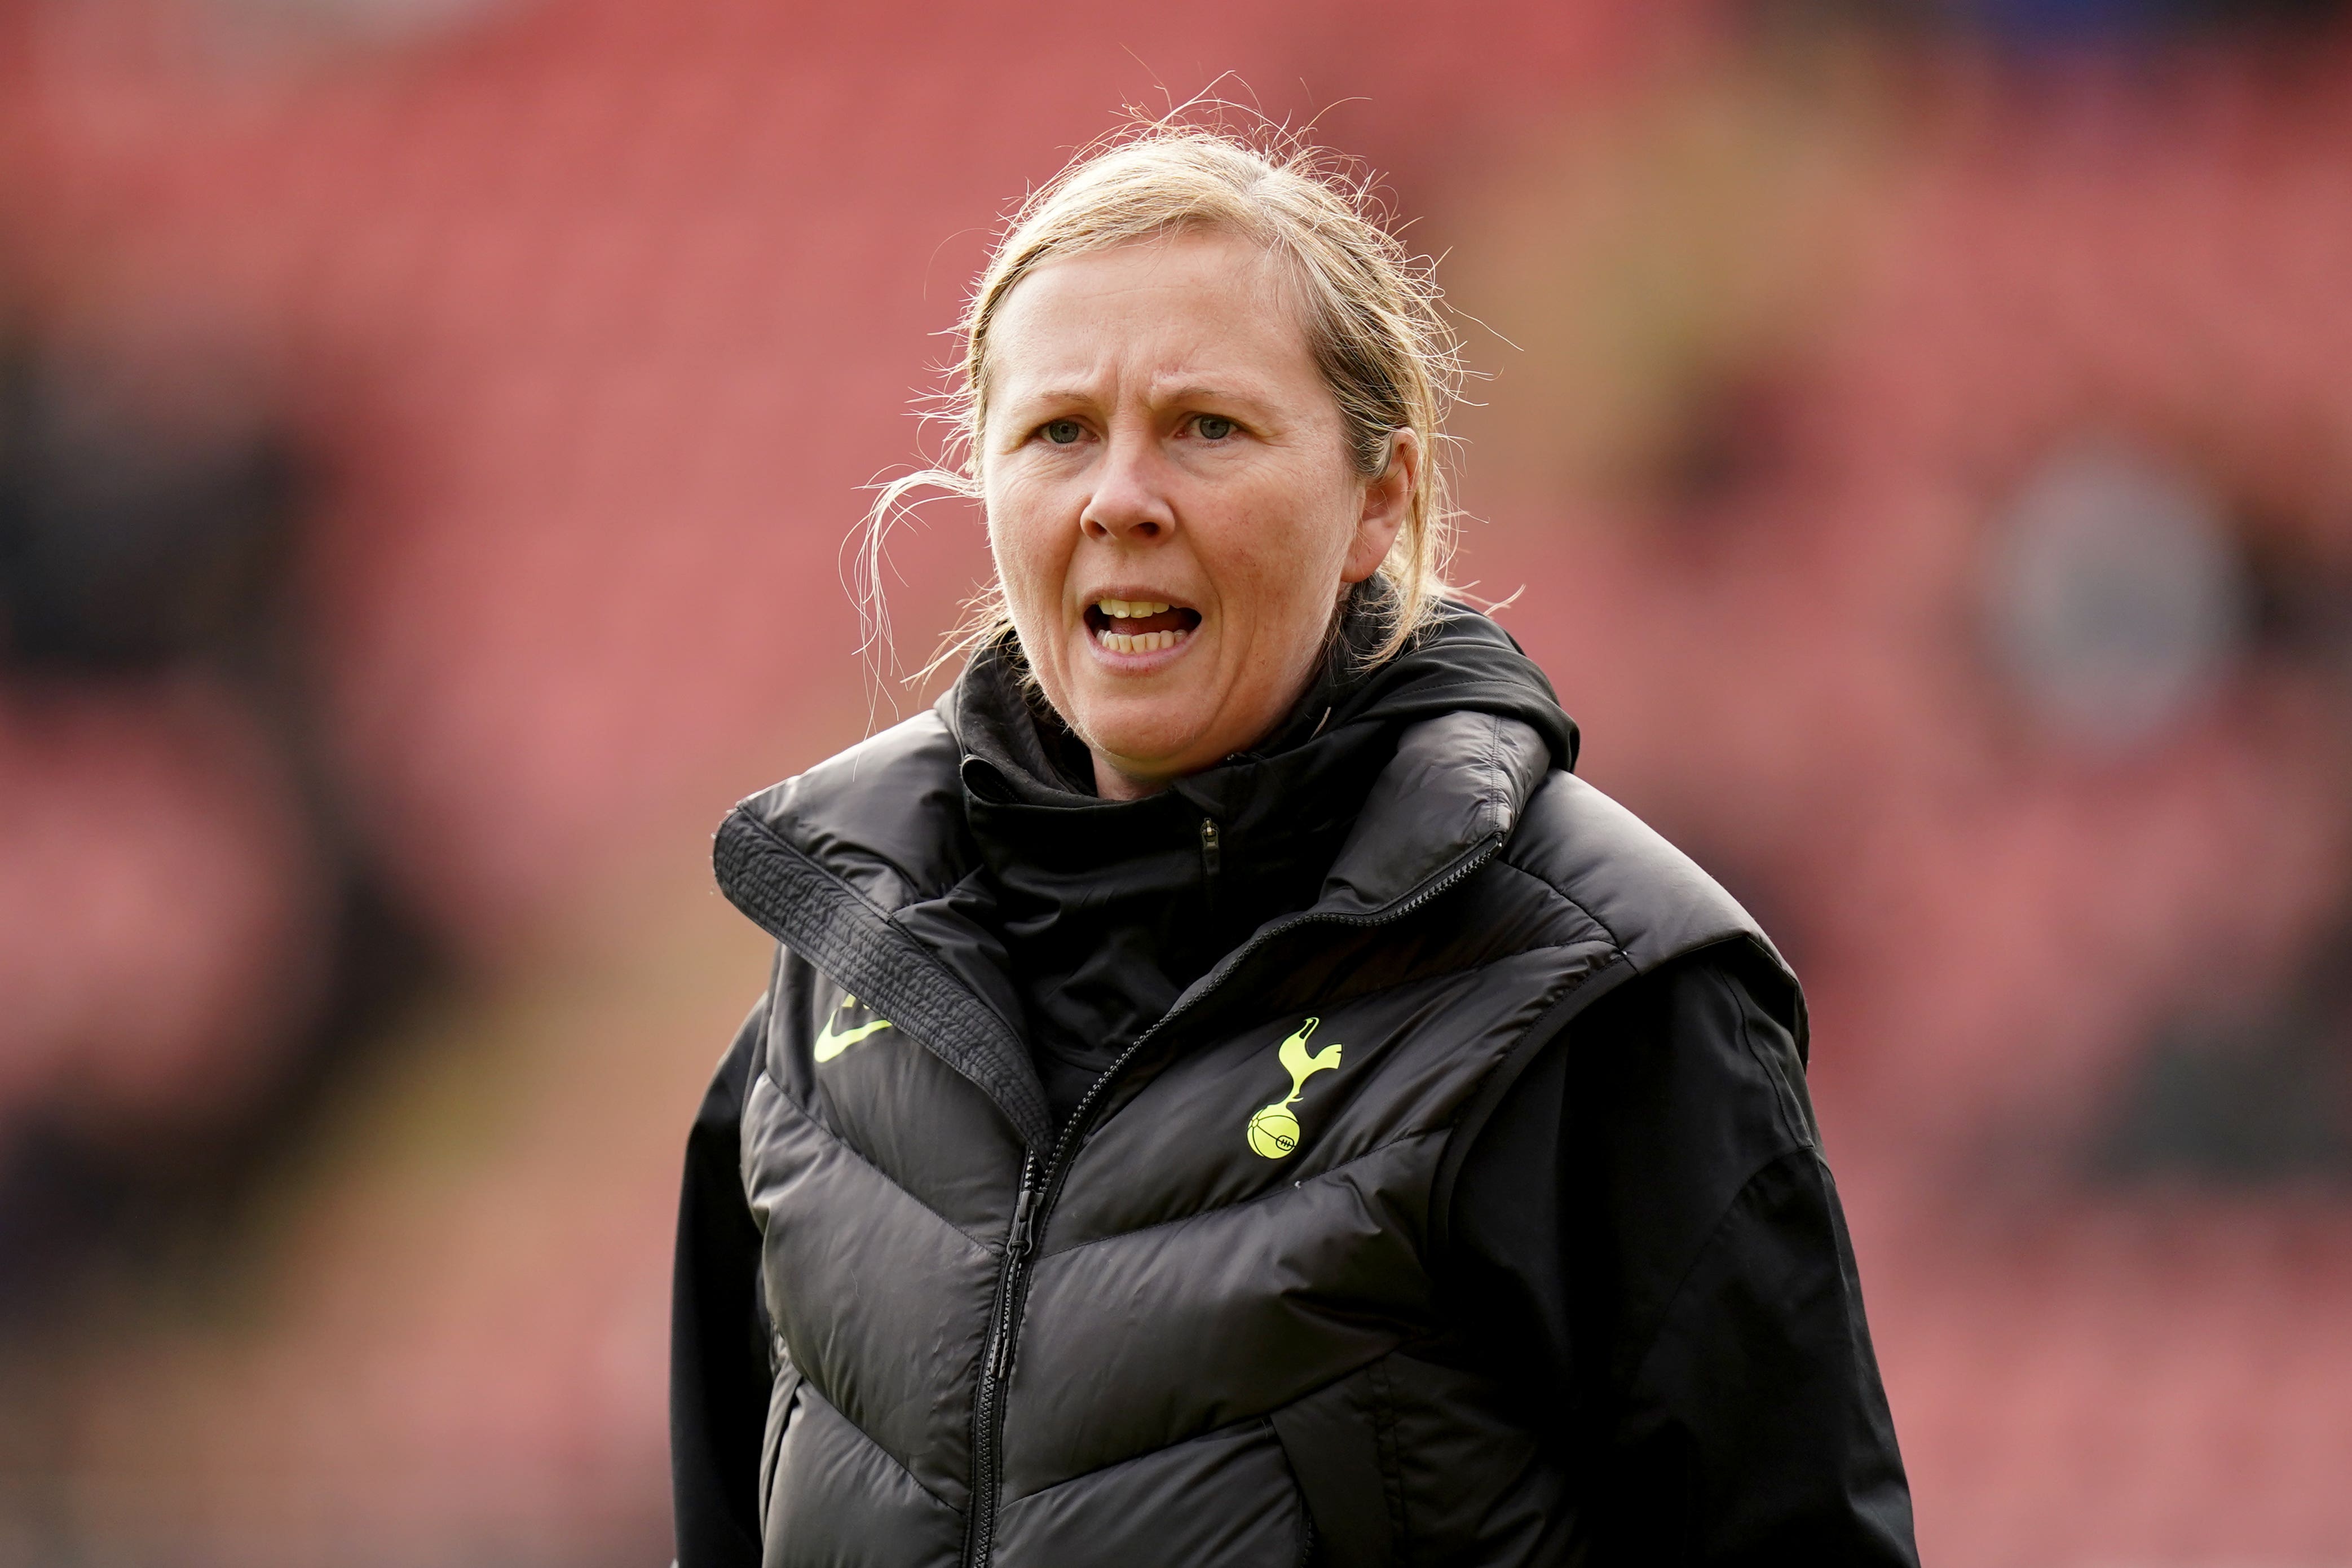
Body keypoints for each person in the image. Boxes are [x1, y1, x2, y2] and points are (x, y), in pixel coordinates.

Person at [670, 126, 1917, 1567]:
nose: (1120, 496)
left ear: (1376, 501)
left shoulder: (1599, 988)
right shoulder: (841, 964)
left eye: (1208, 426)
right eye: (1059, 430)